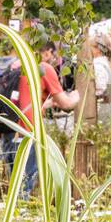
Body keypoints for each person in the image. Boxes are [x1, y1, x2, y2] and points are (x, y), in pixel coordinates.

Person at [14, 46, 78, 195]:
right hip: (28, 132)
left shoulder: (17, 66)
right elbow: (66, 104)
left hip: (8, 130)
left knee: (12, 185)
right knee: (24, 186)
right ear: (47, 53)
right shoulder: (43, 68)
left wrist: (46, 104)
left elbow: (24, 99)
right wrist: (78, 95)